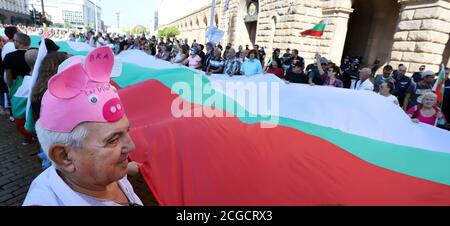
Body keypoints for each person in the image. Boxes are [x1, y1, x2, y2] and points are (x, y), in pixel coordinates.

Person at [23, 47, 143, 206]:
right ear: (64, 156)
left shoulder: (103, 173)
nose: (131, 146)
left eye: (126, 131)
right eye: (113, 139)